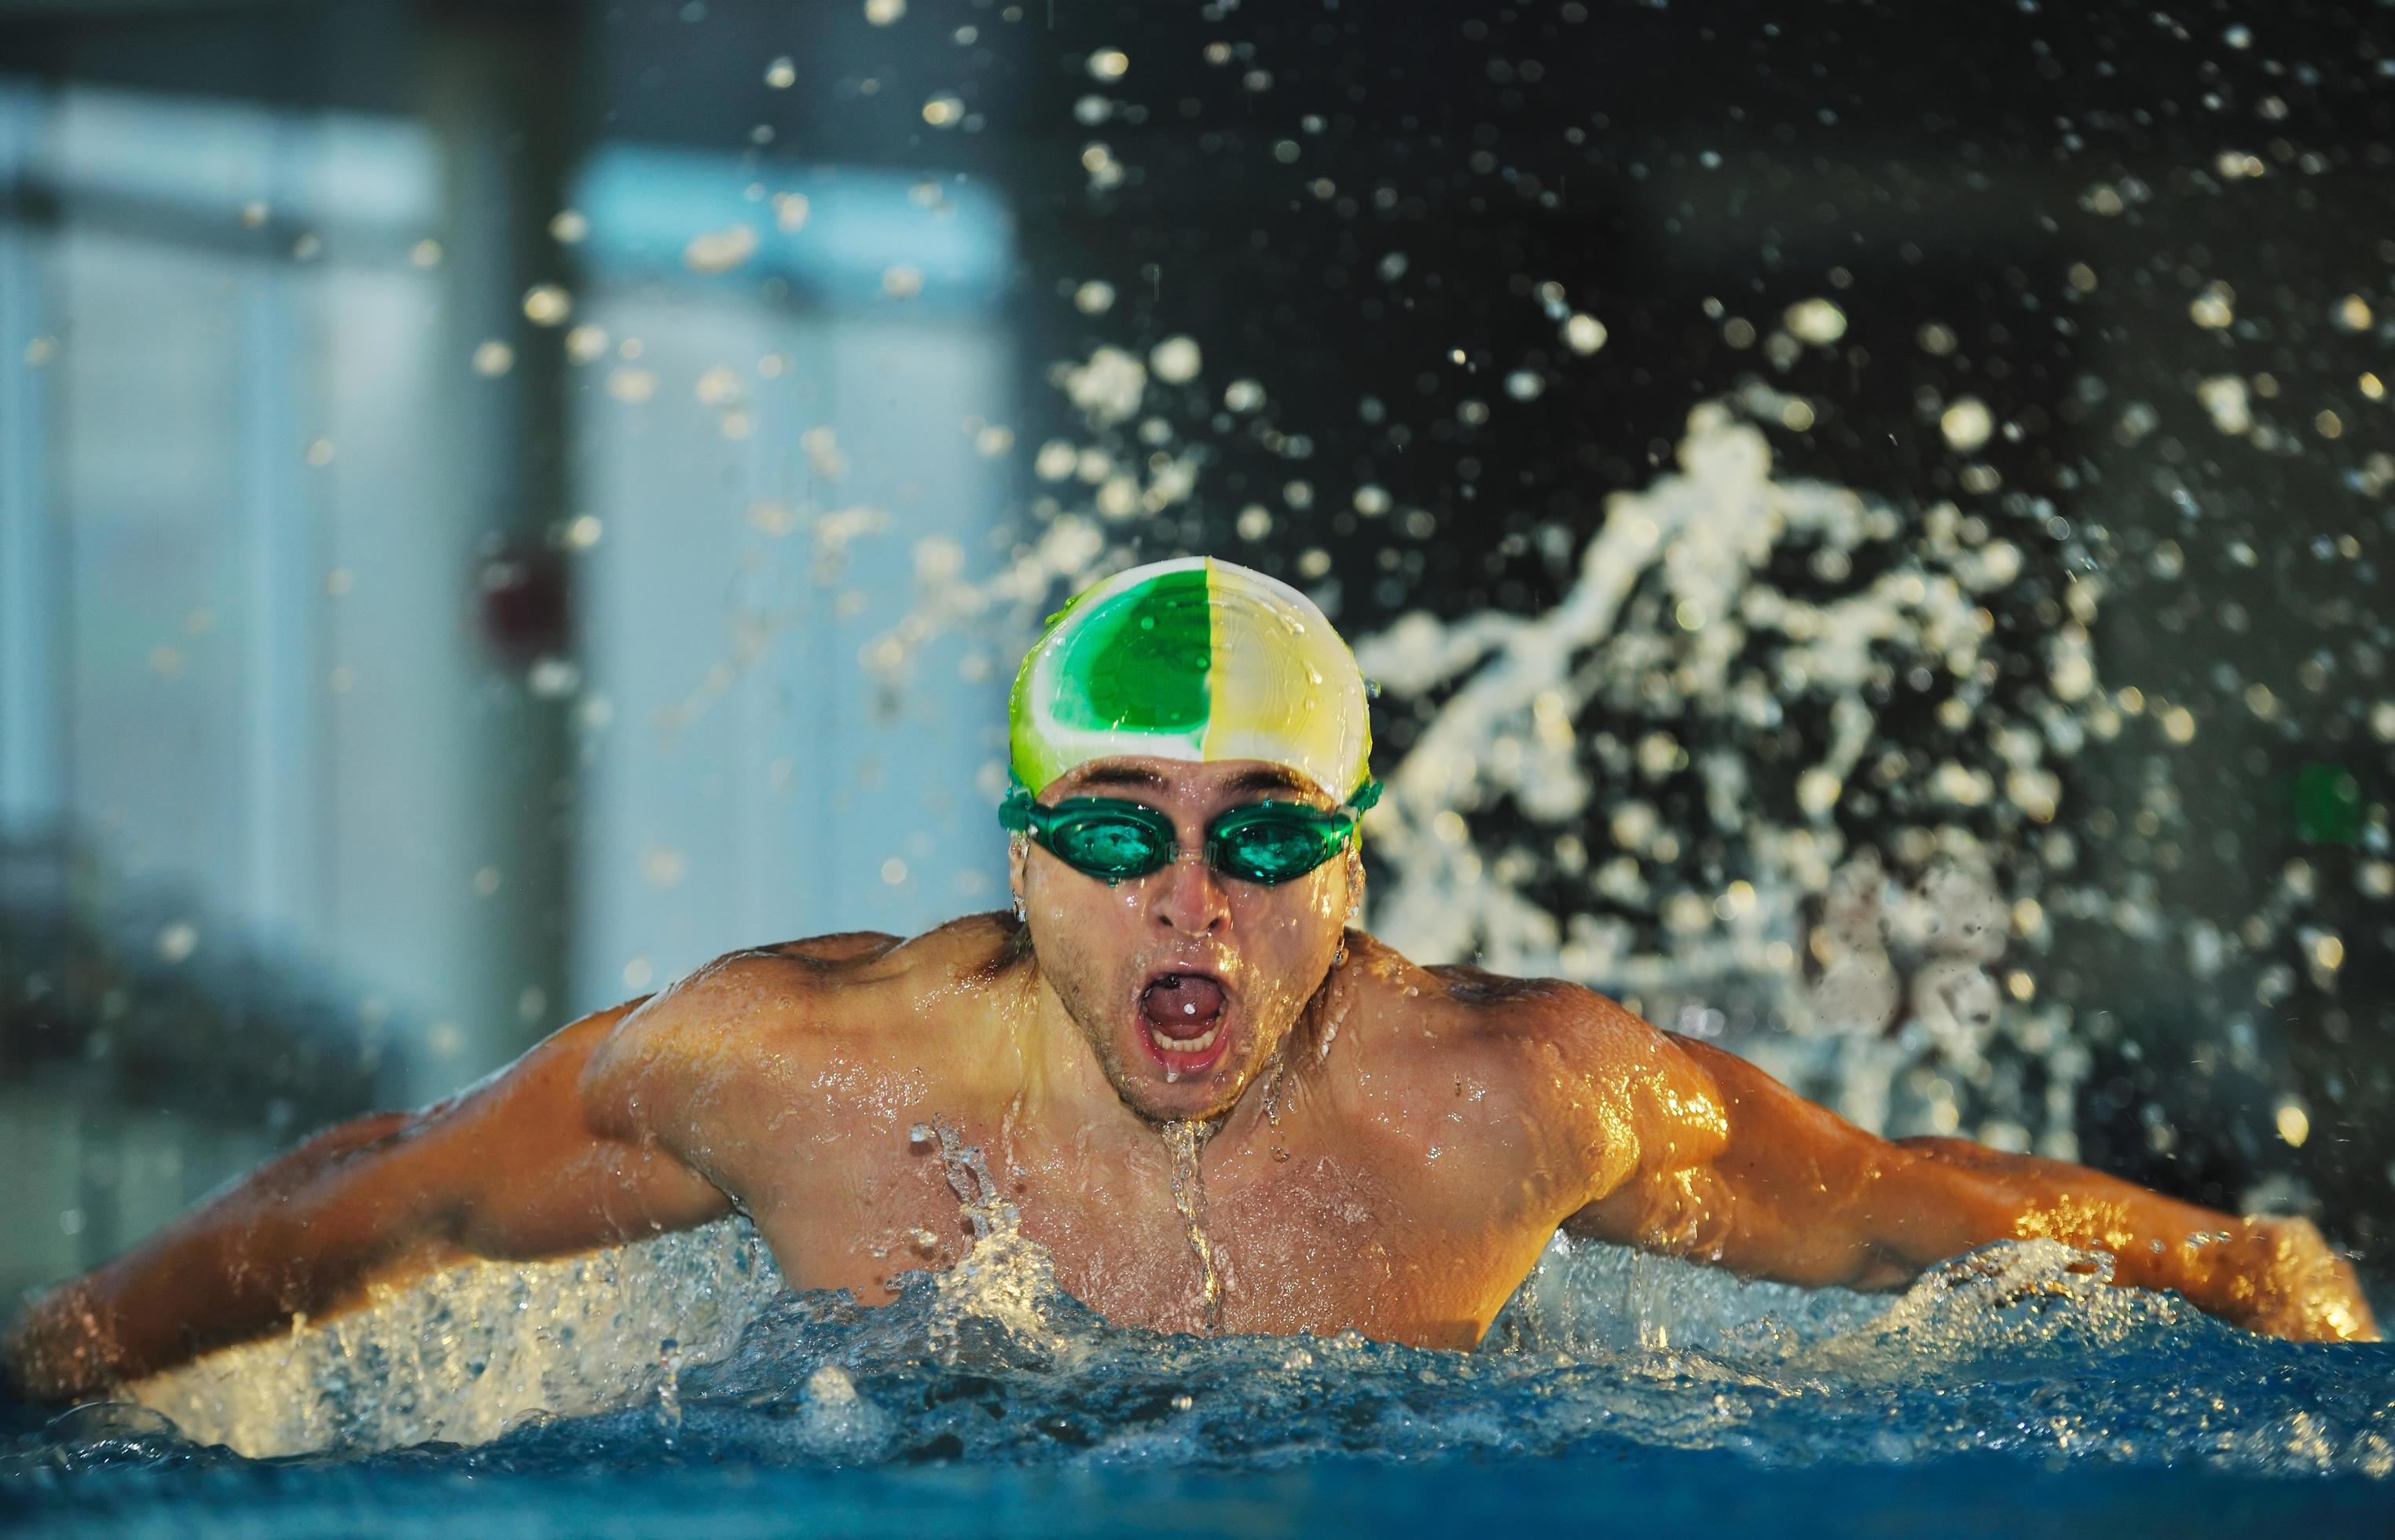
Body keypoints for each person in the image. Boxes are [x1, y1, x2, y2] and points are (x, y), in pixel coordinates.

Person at [4, 557, 2375, 1402]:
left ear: (1356, 871)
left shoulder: (1519, 1098)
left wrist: (2233, 1258)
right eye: (1121, 833)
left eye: (1264, 838)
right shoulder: (793, 1068)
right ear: (1020, 852)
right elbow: (384, 1194)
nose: (1190, 903)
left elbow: (1881, 1207)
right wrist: (61, 1362)